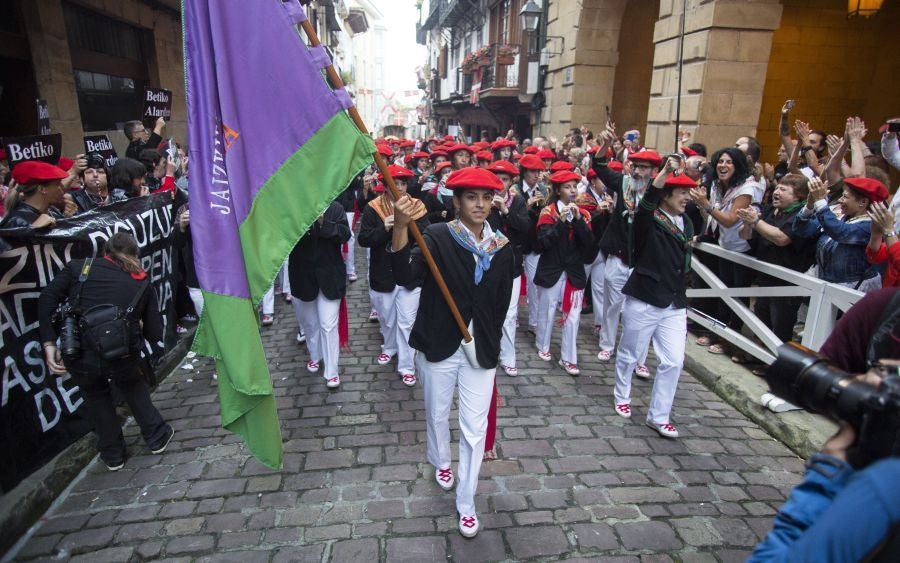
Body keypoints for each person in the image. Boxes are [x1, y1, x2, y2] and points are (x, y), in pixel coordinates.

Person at [390, 167, 515, 539]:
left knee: (474, 430)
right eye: (472, 197)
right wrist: (399, 226)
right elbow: (405, 275)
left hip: (482, 350)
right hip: (441, 342)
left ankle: (467, 501)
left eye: (487, 198)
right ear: (457, 202)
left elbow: (500, 304)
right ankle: (441, 460)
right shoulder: (437, 236)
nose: (480, 204)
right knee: (437, 412)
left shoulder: (503, 248)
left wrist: (491, 347)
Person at [37, 232, 174, 470]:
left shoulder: (79, 268)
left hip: (80, 352)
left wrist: (49, 343)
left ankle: (113, 455)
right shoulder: (141, 282)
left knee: (96, 397)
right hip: (121, 352)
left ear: (105, 252)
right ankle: (156, 436)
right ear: (135, 255)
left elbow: (47, 299)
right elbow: (154, 333)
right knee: (132, 387)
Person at [613, 161, 696, 439]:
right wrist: (663, 172)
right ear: (665, 195)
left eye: (688, 192)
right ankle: (621, 395)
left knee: (674, 361)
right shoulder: (647, 218)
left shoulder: (688, 220)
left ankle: (659, 416)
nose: (686, 198)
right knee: (631, 353)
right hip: (646, 296)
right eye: (681, 192)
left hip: (674, 301)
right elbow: (647, 202)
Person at [590, 130, 658, 379]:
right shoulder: (623, 182)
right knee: (612, 306)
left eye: (644, 167)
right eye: (636, 165)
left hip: (643, 262)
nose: (638, 171)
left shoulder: (658, 192)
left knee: (642, 313)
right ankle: (607, 345)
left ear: (653, 171)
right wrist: (606, 143)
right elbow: (599, 166)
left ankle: (639, 358)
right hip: (618, 257)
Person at [357, 165, 429, 387]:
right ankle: (389, 347)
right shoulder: (373, 208)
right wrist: (385, 228)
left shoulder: (417, 207)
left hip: (410, 272)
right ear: (386, 187)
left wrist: (406, 228)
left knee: (407, 321)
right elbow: (364, 239)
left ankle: (407, 367)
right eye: (394, 183)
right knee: (387, 318)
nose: (399, 187)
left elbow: (426, 239)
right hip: (383, 272)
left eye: (402, 183)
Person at [690, 147, 759, 355]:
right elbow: (712, 220)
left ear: (737, 166)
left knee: (736, 296)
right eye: (720, 161)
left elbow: (729, 221)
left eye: (728, 162)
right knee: (721, 292)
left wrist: (706, 204)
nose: (723, 165)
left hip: (742, 250)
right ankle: (715, 331)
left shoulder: (748, 188)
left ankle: (732, 338)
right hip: (723, 247)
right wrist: (704, 207)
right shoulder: (718, 187)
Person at [736, 174, 815, 342]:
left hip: (787, 282)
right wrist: (748, 223)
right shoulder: (771, 210)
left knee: (781, 324)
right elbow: (745, 236)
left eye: (783, 189)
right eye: (777, 188)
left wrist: (756, 221)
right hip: (765, 277)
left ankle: (775, 364)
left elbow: (782, 239)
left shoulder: (802, 215)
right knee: (761, 317)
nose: (776, 192)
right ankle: (756, 356)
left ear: (798, 195)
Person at [534, 170, 594, 375]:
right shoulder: (547, 212)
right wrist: (560, 221)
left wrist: (577, 220)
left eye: (574, 187)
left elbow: (588, 244)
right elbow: (544, 242)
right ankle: (543, 345)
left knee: (573, 317)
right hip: (552, 269)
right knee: (547, 310)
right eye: (567, 187)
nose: (572, 191)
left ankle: (568, 358)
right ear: (558, 190)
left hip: (574, 272)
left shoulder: (584, 214)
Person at [288, 199, 352, 389]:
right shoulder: (293, 207)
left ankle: (331, 371)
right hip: (302, 275)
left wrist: (324, 222)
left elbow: (344, 235)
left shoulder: (335, 208)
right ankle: (315, 355)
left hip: (330, 276)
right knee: (310, 324)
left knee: (328, 325)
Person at [793, 176, 888, 292]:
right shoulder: (837, 215)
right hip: (822, 283)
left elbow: (840, 232)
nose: (839, 200)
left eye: (845, 196)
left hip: (849, 291)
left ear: (863, 202)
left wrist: (820, 202)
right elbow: (801, 230)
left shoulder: (870, 226)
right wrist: (810, 204)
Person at [517, 154, 550, 332]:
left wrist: (542, 206)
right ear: (524, 172)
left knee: (533, 282)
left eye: (539, 171)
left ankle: (534, 321)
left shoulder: (544, 189)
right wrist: (526, 206)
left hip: (533, 241)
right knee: (512, 279)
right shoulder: (515, 188)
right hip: (516, 239)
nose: (536, 175)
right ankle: (511, 315)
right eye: (532, 171)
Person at [0, 161, 71, 230]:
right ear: (42, 189)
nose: (62, 187)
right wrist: (32, 229)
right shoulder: (16, 222)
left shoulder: (53, 212)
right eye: (58, 184)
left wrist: (67, 217)